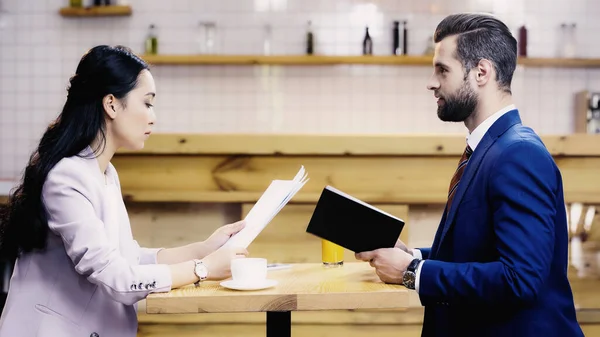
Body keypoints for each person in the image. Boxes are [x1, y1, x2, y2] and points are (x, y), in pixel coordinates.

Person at [355, 13, 583, 337]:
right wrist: (414, 256)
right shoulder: (490, 148)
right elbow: (481, 252)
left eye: (442, 70)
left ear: (481, 72)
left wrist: (413, 273)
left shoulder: (519, 154)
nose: (431, 82)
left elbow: (520, 279)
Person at [0, 45, 249, 337]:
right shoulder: (66, 177)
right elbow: (114, 277)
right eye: (147, 103)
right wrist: (201, 269)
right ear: (112, 105)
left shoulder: (105, 172)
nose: (153, 117)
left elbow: (126, 258)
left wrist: (205, 248)